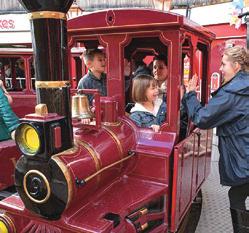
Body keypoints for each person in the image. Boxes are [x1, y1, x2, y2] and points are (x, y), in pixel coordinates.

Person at [182, 45, 249, 233]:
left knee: (237, 195)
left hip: (244, 156)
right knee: (238, 193)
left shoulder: (232, 93)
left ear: (236, 66)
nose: (220, 68)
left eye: (223, 64)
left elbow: (203, 118)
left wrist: (189, 94)